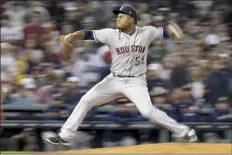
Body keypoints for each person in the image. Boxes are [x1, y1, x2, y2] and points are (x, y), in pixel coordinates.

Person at [46, 5, 197, 145]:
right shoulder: (111, 34)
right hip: (114, 80)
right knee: (86, 100)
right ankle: (65, 136)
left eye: (121, 16)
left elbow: (167, 31)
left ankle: (185, 131)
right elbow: (88, 34)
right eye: (117, 16)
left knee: (148, 112)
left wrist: (174, 30)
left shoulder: (146, 32)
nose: (117, 18)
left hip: (135, 82)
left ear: (131, 19)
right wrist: (71, 36)